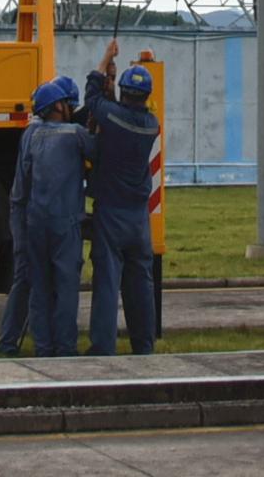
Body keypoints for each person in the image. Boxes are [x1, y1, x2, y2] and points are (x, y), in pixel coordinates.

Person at [81, 40, 163, 355]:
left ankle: (103, 346)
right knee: (140, 284)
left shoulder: (113, 117)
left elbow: (91, 96)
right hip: (138, 218)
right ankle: (144, 346)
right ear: (147, 95)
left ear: (125, 92)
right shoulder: (151, 126)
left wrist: (105, 61)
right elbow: (115, 113)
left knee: (107, 282)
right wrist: (112, 86)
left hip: (111, 215)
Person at [5, 74, 92, 356]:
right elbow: (99, 153)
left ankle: (43, 348)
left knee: (39, 289)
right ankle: (65, 348)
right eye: (67, 104)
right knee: (66, 287)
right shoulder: (75, 135)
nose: (71, 109)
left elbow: (22, 185)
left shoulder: (30, 135)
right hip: (64, 224)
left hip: (34, 223)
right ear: (57, 105)